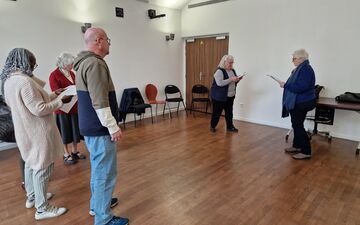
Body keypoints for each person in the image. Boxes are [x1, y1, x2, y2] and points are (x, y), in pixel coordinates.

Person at [0, 48, 70, 220]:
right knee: (43, 167)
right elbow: (39, 109)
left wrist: (54, 95)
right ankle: (42, 208)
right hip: (38, 131)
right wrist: (60, 102)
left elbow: (32, 102)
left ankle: (33, 197)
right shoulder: (25, 82)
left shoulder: (8, 81)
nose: (33, 66)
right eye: (32, 63)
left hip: (25, 131)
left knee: (31, 164)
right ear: (24, 62)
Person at [73, 27, 129, 225]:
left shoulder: (83, 63)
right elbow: (100, 101)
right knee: (105, 172)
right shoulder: (95, 64)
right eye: (108, 39)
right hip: (99, 128)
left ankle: (96, 205)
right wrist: (112, 127)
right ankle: (103, 218)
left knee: (99, 169)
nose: (109, 43)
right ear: (99, 40)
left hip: (90, 127)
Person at [278, 49, 316, 160]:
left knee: (297, 125)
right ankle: (297, 146)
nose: (292, 60)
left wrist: (286, 85)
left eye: (294, 58)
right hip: (300, 101)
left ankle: (306, 151)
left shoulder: (305, 69)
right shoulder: (301, 69)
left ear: (300, 59)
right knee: (296, 124)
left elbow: (301, 87)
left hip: (302, 102)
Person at [49, 52, 86, 165]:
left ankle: (74, 151)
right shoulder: (54, 75)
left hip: (74, 106)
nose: (72, 65)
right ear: (64, 63)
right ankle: (66, 153)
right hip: (62, 108)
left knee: (75, 130)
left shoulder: (72, 73)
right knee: (64, 131)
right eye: (71, 63)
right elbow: (55, 92)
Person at [210, 55, 244, 133]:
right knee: (217, 113)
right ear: (224, 62)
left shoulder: (233, 70)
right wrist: (231, 79)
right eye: (229, 63)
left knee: (229, 112)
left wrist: (238, 79)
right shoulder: (219, 71)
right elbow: (220, 83)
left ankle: (230, 127)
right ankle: (212, 126)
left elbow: (233, 82)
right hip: (219, 97)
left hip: (230, 96)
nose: (231, 64)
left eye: (232, 63)